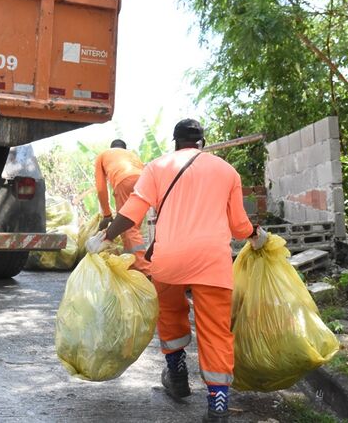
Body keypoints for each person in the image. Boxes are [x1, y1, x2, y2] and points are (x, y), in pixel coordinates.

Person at [91, 119, 267, 423]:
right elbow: (239, 226)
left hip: (168, 259)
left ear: (175, 142)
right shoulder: (227, 171)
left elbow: (132, 213)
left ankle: (177, 376)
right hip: (212, 262)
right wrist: (257, 236)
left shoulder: (157, 167)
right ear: (202, 143)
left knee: (170, 316)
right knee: (215, 331)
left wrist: (105, 236)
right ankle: (218, 404)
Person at [92, 139, 149, 273]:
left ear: (111, 148)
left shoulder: (103, 155)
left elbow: (101, 188)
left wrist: (106, 215)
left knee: (128, 229)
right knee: (133, 227)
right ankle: (133, 264)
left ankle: (144, 270)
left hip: (125, 181)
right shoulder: (132, 155)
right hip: (145, 181)